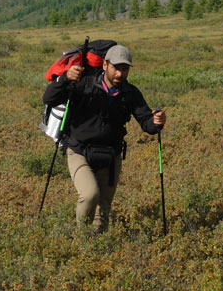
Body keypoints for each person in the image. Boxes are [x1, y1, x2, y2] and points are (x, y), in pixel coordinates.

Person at [42, 44, 166, 233]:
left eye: (124, 69)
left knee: (103, 208)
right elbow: (49, 99)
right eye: (116, 68)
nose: (120, 74)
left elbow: (146, 123)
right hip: (79, 151)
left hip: (111, 154)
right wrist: (65, 78)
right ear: (105, 65)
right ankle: (82, 240)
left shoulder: (130, 93)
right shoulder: (83, 83)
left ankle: (99, 244)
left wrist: (156, 122)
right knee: (90, 194)